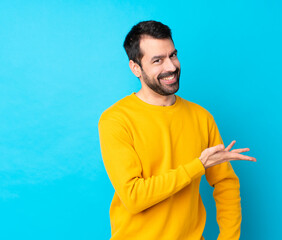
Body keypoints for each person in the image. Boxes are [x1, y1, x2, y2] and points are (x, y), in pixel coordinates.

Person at [98, 20, 256, 240]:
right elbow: (134, 197)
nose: (171, 67)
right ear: (136, 68)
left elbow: (225, 182)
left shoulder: (201, 117)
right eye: (157, 60)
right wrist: (197, 166)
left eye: (172, 55)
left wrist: (229, 237)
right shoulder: (116, 120)